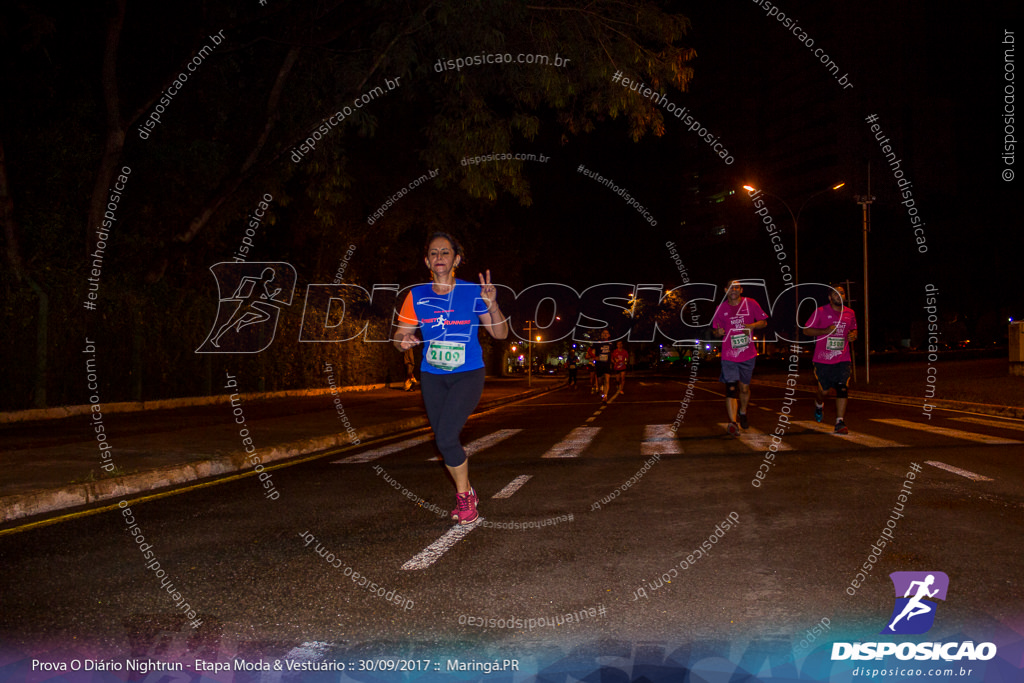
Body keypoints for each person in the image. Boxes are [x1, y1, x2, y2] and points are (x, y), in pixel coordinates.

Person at [393, 232, 508, 525]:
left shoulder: (473, 293)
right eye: (434, 253)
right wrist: (402, 341)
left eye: (445, 252)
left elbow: (500, 334)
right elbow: (399, 335)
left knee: (445, 436)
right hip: (432, 375)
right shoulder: (416, 295)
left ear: (456, 260)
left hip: (468, 374)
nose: (439, 257)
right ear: (427, 261)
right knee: (444, 441)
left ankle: (464, 498)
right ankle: (468, 489)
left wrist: (492, 304)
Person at [711, 280, 768, 435]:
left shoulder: (751, 303)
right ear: (725, 290)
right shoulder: (720, 308)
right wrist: (718, 333)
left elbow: (764, 322)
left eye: (736, 287)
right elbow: (715, 331)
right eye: (730, 287)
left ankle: (743, 411)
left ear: (741, 290)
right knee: (730, 388)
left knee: (744, 388)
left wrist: (752, 326)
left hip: (747, 354)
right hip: (729, 355)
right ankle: (733, 423)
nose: (733, 290)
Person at [802, 284, 858, 434]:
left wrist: (853, 335)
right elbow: (806, 330)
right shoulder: (820, 311)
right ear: (829, 297)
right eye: (835, 293)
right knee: (824, 391)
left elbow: (853, 328)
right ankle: (819, 404)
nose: (839, 295)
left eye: (842, 292)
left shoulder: (850, 313)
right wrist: (825, 331)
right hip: (823, 360)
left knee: (842, 388)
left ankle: (839, 421)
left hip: (843, 358)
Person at [592, 329, 613, 401]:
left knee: (607, 380)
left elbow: (613, 352)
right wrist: (595, 357)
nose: (605, 334)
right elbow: (589, 350)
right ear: (601, 334)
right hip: (599, 364)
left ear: (609, 335)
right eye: (604, 333)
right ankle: (600, 388)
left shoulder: (611, 343)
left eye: (606, 333)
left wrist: (613, 359)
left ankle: (605, 396)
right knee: (600, 381)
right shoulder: (597, 342)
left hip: (607, 364)